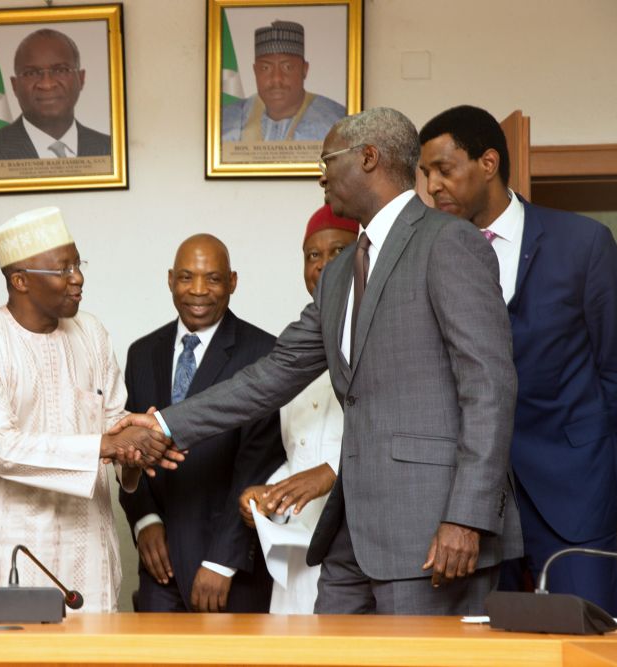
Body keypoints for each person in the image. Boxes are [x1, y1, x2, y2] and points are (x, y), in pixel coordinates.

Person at [117, 107, 522, 615]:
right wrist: (162, 424)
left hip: (432, 530)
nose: (320, 175)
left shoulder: (448, 242)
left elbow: (489, 387)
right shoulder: (339, 277)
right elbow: (271, 376)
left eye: (328, 159)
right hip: (351, 533)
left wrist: (467, 517)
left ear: (368, 158)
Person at [418, 105, 617, 615]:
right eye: (426, 173)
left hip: (573, 495)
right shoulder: (431, 256)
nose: (432, 186)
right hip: (472, 505)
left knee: (580, 643)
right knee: (486, 646)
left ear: (489, 162)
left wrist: (585, 445)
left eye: (444, 169)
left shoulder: (583, 244)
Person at [0, 207, 179, 613]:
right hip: (7, 549)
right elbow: (1, 448)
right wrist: (107, 445)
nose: (78, 278)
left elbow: (110, 421)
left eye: (78, 263)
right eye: (63, 269)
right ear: (20, 281)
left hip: (86, 547)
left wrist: (137, 448)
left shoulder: (91, 332)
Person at [119, 234, 283, 613]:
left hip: (228, 569)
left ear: (233, 282)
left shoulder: (264, 353)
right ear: (170, 279)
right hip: (160, 568)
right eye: (186, 277)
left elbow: (259, 463)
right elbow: (128, 446)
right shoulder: (142, 353)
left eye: (213, 279)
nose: (198, 291)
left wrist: (222, 560)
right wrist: (144, 520)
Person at [238, 204, 357, 614]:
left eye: (339, 252)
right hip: (297, 551)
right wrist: (271, 492)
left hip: (358, 548)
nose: (324, 266)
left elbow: (402, 436)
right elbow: (299, 452)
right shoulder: (294, 348)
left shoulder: (385, 332)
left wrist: (332, 474)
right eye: (313, 255)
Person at [0, 29, 111, 160]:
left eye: (61, 70)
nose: (47, 84)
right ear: (14, 85)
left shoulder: (111, 149)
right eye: (31, 73)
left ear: (81, 79)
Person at [221, 20, 345, 143]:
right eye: (266, 68)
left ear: (304, 70)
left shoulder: (338, 124)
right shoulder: (226, 121)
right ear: (255, 71)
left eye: (287, 67)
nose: (276, 78)